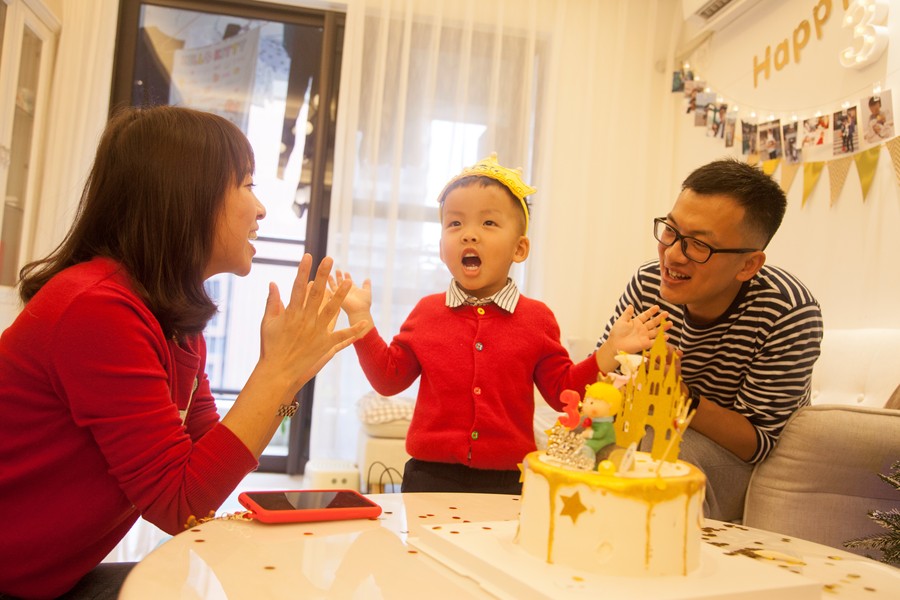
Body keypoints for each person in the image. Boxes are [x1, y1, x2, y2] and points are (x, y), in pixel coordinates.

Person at [0, 106, 367, 599]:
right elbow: (182, 504)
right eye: (248, 185)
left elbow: (210, 462)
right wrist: (276, 373)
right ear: (188, 193)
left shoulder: (173, 322)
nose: (261, 209)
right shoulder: (96, 308)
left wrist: (287, 380)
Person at [330, 154, 663, 495]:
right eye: (455, 223)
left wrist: (610, 350)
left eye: (488, 223)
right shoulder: (426, 312)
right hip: (429, 477)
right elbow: (388, 379)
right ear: (441, 249)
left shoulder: (537, 319)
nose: (469, 235)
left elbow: (564, 391)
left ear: (519, 248)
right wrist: (361, 318)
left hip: (506, 481)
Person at [594, 158, 823, 522]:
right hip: (652, 427)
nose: (672, 255)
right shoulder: (648, 283)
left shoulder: (787, 310)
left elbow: (757, 442)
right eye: (670, 231)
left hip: (732, 454)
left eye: (698, 245)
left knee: (655, 452)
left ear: (748, 265)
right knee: (587, 438)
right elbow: (602, 380)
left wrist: (679, 396)